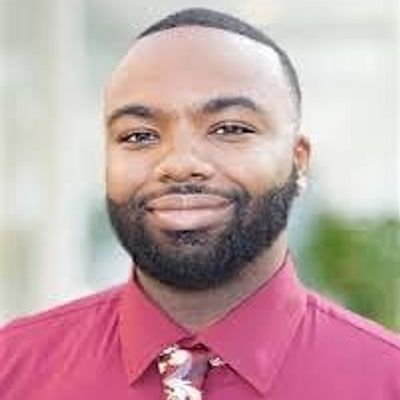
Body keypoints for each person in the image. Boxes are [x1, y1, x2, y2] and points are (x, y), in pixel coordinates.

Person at [1, 8, 399, 400]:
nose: (179, 163)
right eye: (138, 135)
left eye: (230, 128)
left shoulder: (387, 380)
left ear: (298, 160)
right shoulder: (12, 370)